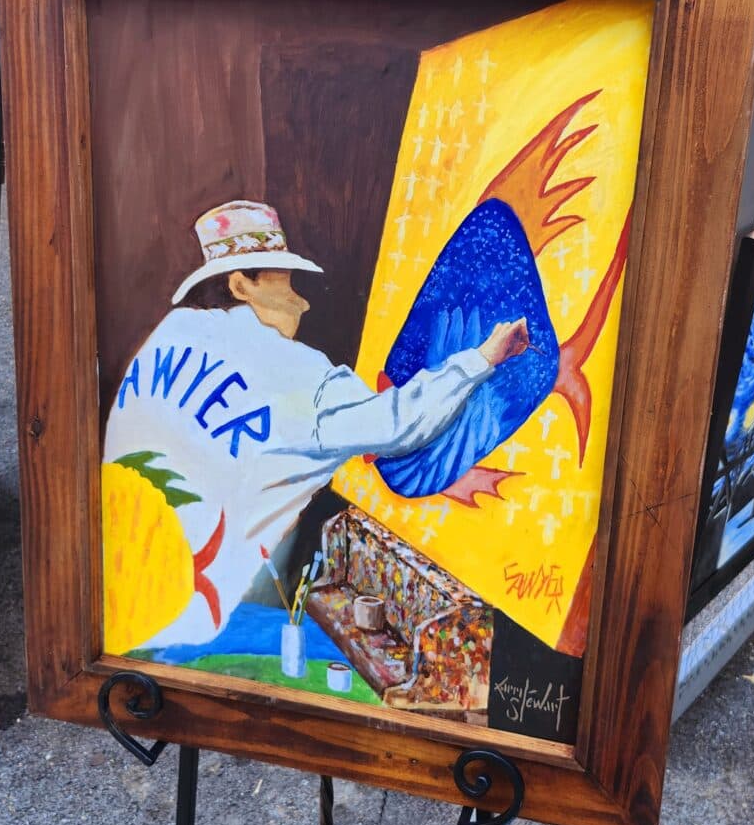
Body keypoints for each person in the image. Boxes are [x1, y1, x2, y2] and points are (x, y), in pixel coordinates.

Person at [103, 200, 528, 649]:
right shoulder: (298, 373)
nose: (301, 302)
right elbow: (399, 424)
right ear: (241, 285)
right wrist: (484, 358)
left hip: (116, 600)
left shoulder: (173, 331)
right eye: (285, 281)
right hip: (196, 627)